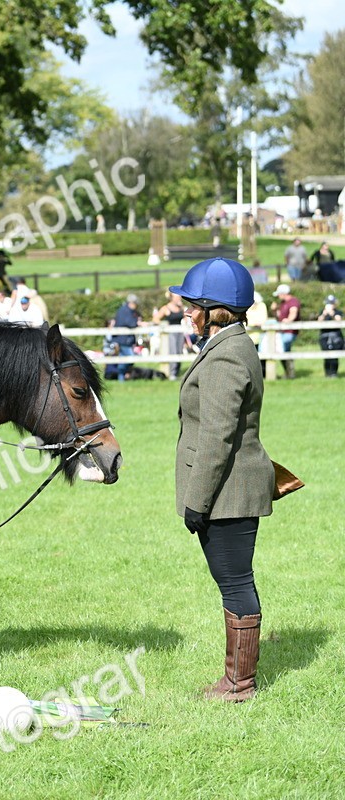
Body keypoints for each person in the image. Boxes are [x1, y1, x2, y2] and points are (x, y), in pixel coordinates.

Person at [169, 257, 273, 702]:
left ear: (216, 311)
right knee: (232, 579)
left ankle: (239, 684)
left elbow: (216, 436)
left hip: (227, 493)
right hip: (227, 490)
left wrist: (197, 501)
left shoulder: (226, 356)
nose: (185, 312)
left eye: (192, 305)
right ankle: (236, 680)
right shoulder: (227, 347)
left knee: (234, 581)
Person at [270, 284, 301, 379]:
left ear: (284, 293)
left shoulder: (293, 301)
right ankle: (289, 373)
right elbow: (279, 316)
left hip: (290, 331)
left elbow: (293, 312)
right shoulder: (283, 303)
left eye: (279, 294)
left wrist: (289, 320)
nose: (278, 296)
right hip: (283, 331)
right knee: (283, 350)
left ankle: (289, 372)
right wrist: (274, 310)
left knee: (283, 349)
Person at [152, 291, 185, 379]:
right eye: (177, 297)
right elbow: (155, 319)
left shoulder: (180, 307)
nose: (179, 299)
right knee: (173, 351)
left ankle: (176, 372)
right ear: (171, 298)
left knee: (179, 351)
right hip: (171, 333)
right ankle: (172, 373)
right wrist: (163, 324)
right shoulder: (166, 308)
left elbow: (185, 318)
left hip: (180, 332)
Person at [111, 294, 141, 381]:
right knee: (131, 358)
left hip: (124, 339)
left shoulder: (126, 310)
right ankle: (121, 375)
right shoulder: (125, 311)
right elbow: (131, 323)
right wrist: (138, 322)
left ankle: (121, 378)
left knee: (123, 359)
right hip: (124, 340)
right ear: (132, 303)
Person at [317, 294, 343, 378]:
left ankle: (334, 373)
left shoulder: (337, 312)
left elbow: (338, 320)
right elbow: (319, 321)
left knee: (335, 356)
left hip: (336, 337)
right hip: (324, 337)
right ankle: (327, 373)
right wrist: (324, 314)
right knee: (326, 356)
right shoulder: (322, 312)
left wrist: (332, 313)